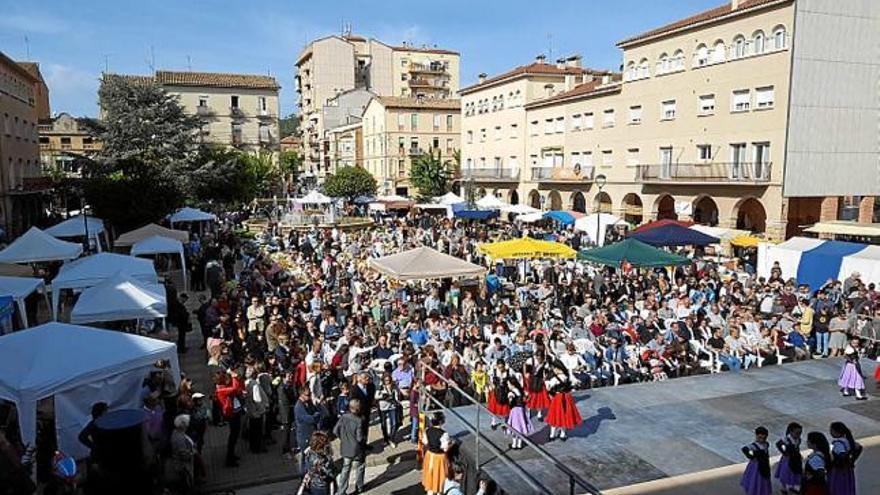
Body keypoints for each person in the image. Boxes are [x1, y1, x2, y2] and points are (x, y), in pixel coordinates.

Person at [334, 398, 366, 495]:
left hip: (345, 447)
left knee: (345, 469)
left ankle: (341, 490)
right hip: (356, 449)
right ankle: (359, 486)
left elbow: (335, 431)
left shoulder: (343, 417)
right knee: (360, 466)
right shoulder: (358, 421)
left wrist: (343, 438)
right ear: (357, 409)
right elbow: (359, 437)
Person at [215, 370, 245, 467]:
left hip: (234, 412)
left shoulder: (223, 387)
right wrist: (234, 377)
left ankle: (232, 455)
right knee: (233, 435)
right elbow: (235, 388)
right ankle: (229, 459)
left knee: (235, 435)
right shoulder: (221, 390)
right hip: (231, 414)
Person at [545, 362, 582, 441]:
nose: (554, 370)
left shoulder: (555, 379)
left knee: (555, 416)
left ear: (558, 369)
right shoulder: (567, 376)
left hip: (558, 398)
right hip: (567, 397)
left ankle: (552, 434)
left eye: (555, 369)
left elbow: (548, 387)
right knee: (565, 415)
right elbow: (574, 383)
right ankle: (563, 434)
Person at [294, 387, 326, 471]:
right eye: (308, 395)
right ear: (301, 395)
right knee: (306, 457)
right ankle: (304, 475)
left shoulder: (308, 402)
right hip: (304, 436)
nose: (310, 396)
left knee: (312, 456)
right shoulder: (299, 407)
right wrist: (316, 416)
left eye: (310, 394)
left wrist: (316, 415)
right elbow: (309, 419)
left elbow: (317, 412)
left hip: (311, 434)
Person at [422, 412, 452, 495]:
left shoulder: (427, 430)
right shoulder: (444, 434)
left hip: (429, 455)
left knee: (430, 477)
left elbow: (425, 442)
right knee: (439, 478)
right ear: (441, 421)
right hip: (439, 458)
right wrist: (451, 444)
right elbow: (445, 449)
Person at [828, 422, 860, 495]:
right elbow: (859, 448)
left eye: (831, 430)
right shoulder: (848, 440)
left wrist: (838, 462)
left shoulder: (838, 443)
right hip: (847, 470)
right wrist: (852, 460)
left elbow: (841, 454)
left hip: (839, 471)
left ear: (835, 431)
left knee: (839, 488)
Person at [300, 431, 335, 495]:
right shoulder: (324, 459)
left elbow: (305, 468)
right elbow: (330, 475)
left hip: (312, 483)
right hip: (322, 486)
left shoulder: (308, 453)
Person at [168, 414, 196, 494]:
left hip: (183, 464)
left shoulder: (177, 432)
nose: (188, 425)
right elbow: (184, 454)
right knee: (186, 485)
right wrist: (192, 453)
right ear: (183, 425)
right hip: (183, 466)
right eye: (187, 423)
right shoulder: (179, 438)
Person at [740, 426, 772, 495]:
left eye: (764, 438)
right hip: (756, 466)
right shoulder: (753, 446)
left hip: (765, 466)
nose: (762, 439)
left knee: (763, 480)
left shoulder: (766, 444)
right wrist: (752, 456)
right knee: (755, 480)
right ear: (756, 436)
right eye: (760, 437)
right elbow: (745, 449)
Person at [505, 374, 533, 450]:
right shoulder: (520, 390)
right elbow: (526, 396)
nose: (508, 385)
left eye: (508, 384)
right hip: (521, 410)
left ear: (512, 384)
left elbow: (510, 401)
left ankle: (514, 444)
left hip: (515, 411)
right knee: (520, 426)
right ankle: (519, 444)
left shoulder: (511, 393)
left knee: (514, 427)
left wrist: (509, 400)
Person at [775, 422, 803, 495]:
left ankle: (793, 486)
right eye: (797, 433)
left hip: (796, 459)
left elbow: (797, 447)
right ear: (791, 432)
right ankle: (783, 488)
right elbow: (778, 444)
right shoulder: (786, 440)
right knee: (786, 473)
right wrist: (785, 453)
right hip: (787, 460)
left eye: (800, 433)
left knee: (795, 472)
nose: (799, 435)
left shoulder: (798, 439)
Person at [78, 401, 108, 469]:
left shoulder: (104, 423)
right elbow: (82, 436)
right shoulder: (94, 424)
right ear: (102, 413)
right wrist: (94, 446)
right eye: (105, 411)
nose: (107, 413)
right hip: (99, 455)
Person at [375, 372, 401, 448]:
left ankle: (391, 439)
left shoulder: (394, 386)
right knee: (383, 424)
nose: (388, 382)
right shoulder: (380, 387)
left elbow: (396, 397)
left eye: (389, 380)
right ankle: (386, 439)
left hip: (392, 406)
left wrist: (396, 401)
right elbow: (376, 397)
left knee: (395, 423)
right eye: (386, 380)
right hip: (383, 407)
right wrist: (384, 396)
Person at [524, 352, 551, 421]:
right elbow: (525, 365)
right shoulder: (531, 360)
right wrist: (525, 373)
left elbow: (547, 372)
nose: (539, 359)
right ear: (536, 356)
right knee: (530, 397)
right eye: (538, 357)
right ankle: (528, 411)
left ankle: (539, 413)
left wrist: (545, 378)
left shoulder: (545, 363)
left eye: (540, 358)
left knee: (540, 398)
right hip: (531, 380)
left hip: (540, 381)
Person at [487, 360, 511, 430]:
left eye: (502, 367)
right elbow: (488, 378)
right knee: (494, 408)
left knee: (504, 408)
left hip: (504, 392)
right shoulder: (493, 371)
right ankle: (493, 422)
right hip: (495, 392)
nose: (500, 368)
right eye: (499, 367)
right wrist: (491, 385)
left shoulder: (508, 372)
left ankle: (504, 423)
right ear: (497, 366)